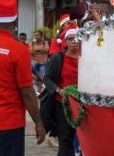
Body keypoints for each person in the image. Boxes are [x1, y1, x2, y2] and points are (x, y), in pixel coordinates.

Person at [0, 0, 46, 155]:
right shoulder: (19, 50)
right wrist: (38, 122)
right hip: (9, 124)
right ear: (15, 20)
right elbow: (27, 92)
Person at [42, 28, 80, 156]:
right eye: (70, 38)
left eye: (77, 38)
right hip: (62, 104)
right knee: (65, 139)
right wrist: (58, 90)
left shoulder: (86, 59)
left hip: (82, 105)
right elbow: (47, 78)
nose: (74, 41)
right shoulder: (58, 58)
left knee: (81, 140)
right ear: (66, 42)